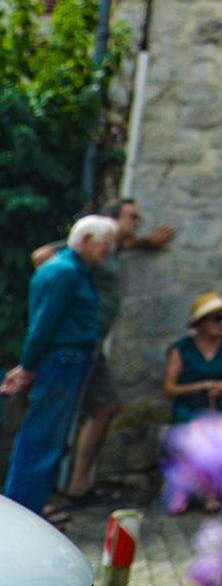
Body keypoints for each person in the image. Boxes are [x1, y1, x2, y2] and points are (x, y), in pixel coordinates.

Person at [28, 197, 176, 506]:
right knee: (63, 419)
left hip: (89, 345)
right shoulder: (79, 256)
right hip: (74, 345)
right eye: (131, 217)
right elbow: (42, 256)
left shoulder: (111, 249)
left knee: (103, 407)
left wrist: (145, 243)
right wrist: (69, 297)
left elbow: (120, 246)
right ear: (110, 219)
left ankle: (76, 484)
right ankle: (59, 491)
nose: (137, 222)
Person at [2, 215, 117, 523]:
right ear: (85, 240)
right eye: (106, 243)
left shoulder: (70, 270)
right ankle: (23, 514)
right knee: (42, 437)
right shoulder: (64, 272)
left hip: (66, 360)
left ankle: (30, 509)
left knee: (48, 437)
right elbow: (42, 325)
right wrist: (27, 366)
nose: (110, 250)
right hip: (62, 360)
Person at [164, 291, 222, 424]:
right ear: (201, 323)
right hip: (189, 411)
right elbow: (169, 389)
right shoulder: (181, 349)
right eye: (217, 319)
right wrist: (202, 386)